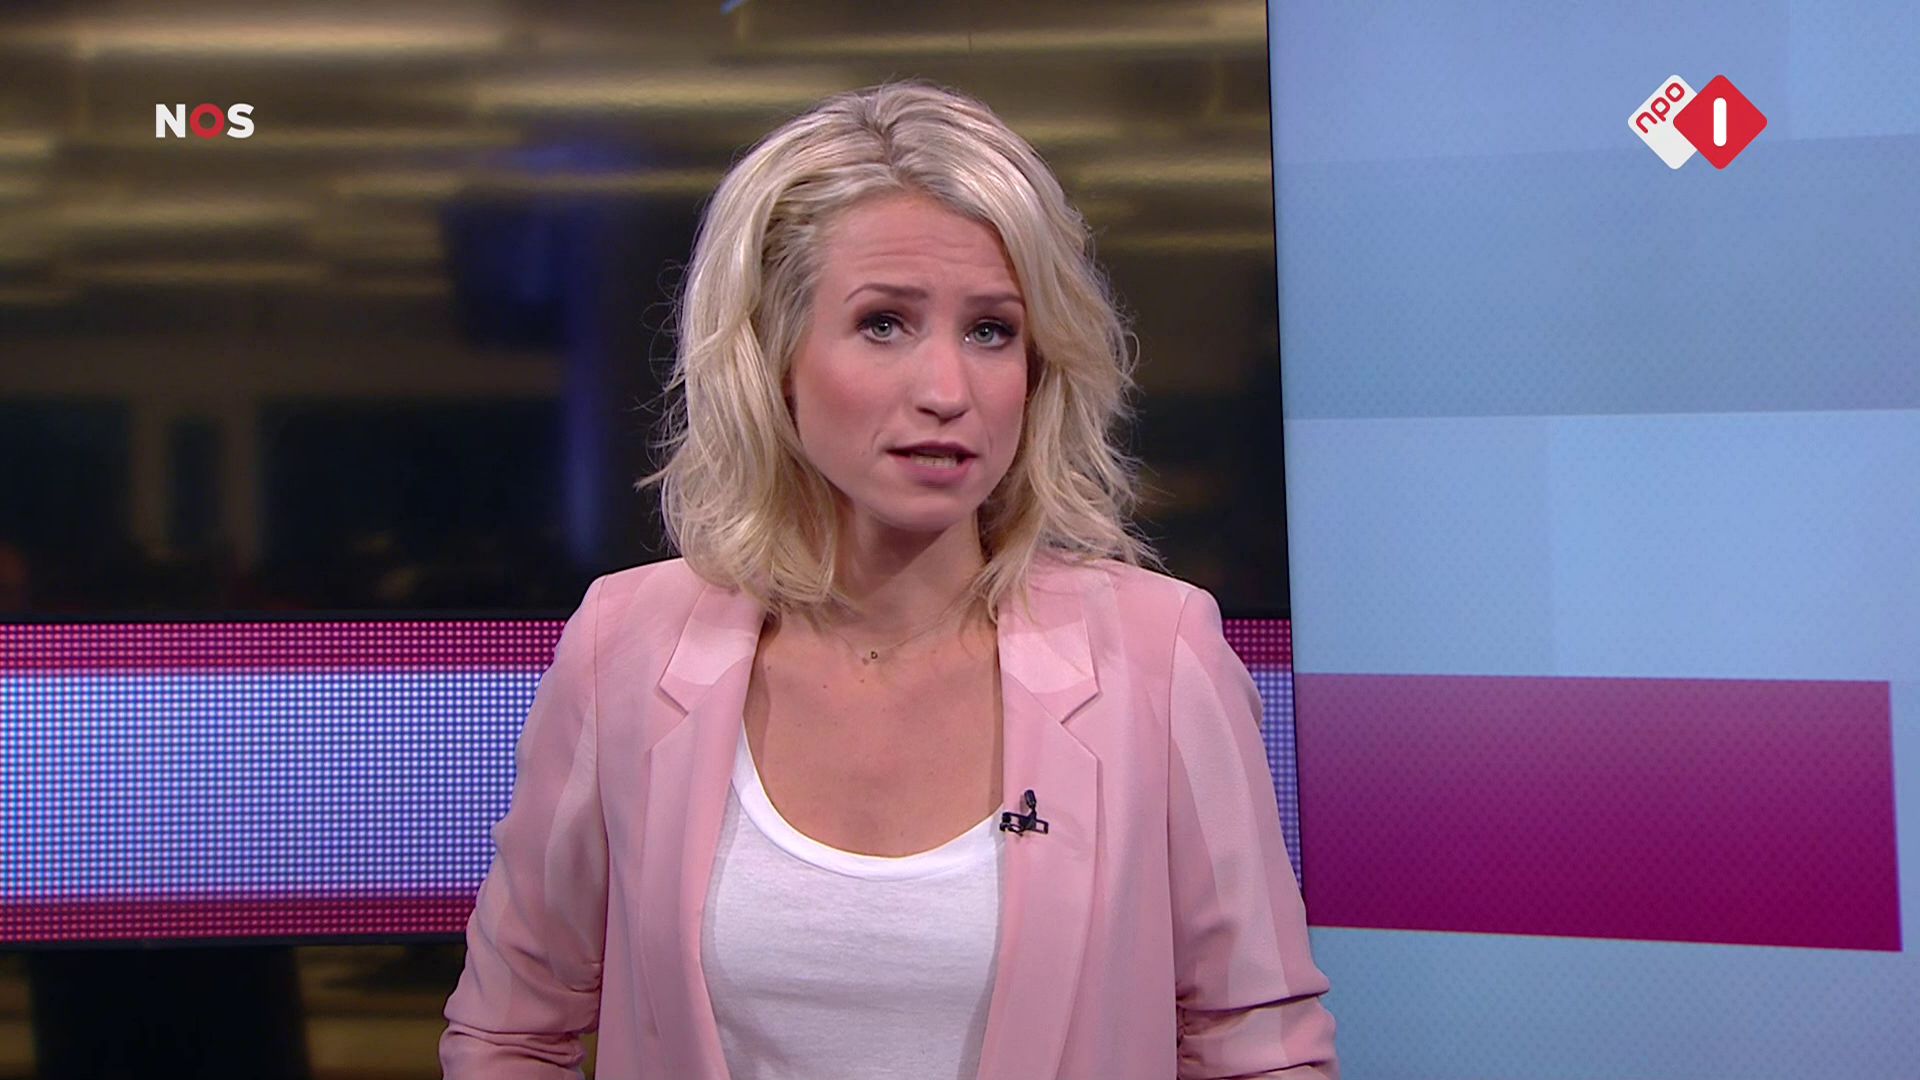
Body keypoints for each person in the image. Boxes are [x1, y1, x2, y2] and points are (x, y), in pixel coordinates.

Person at [440, 80, 1338, 1079]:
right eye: (883, 323)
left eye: (991, 331)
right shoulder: (628, 642)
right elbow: (510, 1030)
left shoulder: (1158, 656)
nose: (947, 391)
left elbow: (1258, 1048)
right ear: (773, 354)